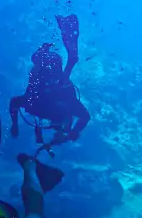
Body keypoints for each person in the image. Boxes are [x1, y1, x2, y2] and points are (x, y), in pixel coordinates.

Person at [9, 14, 90, 147]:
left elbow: (14, 102)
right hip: (55, 89)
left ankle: (66, 59)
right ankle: (64, 59)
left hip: (52, 88)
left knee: (55, 79)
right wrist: (74, 132)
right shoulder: (41, 108)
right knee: (58, 80)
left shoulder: (37, 107)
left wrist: (15, 124)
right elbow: (15, 103)